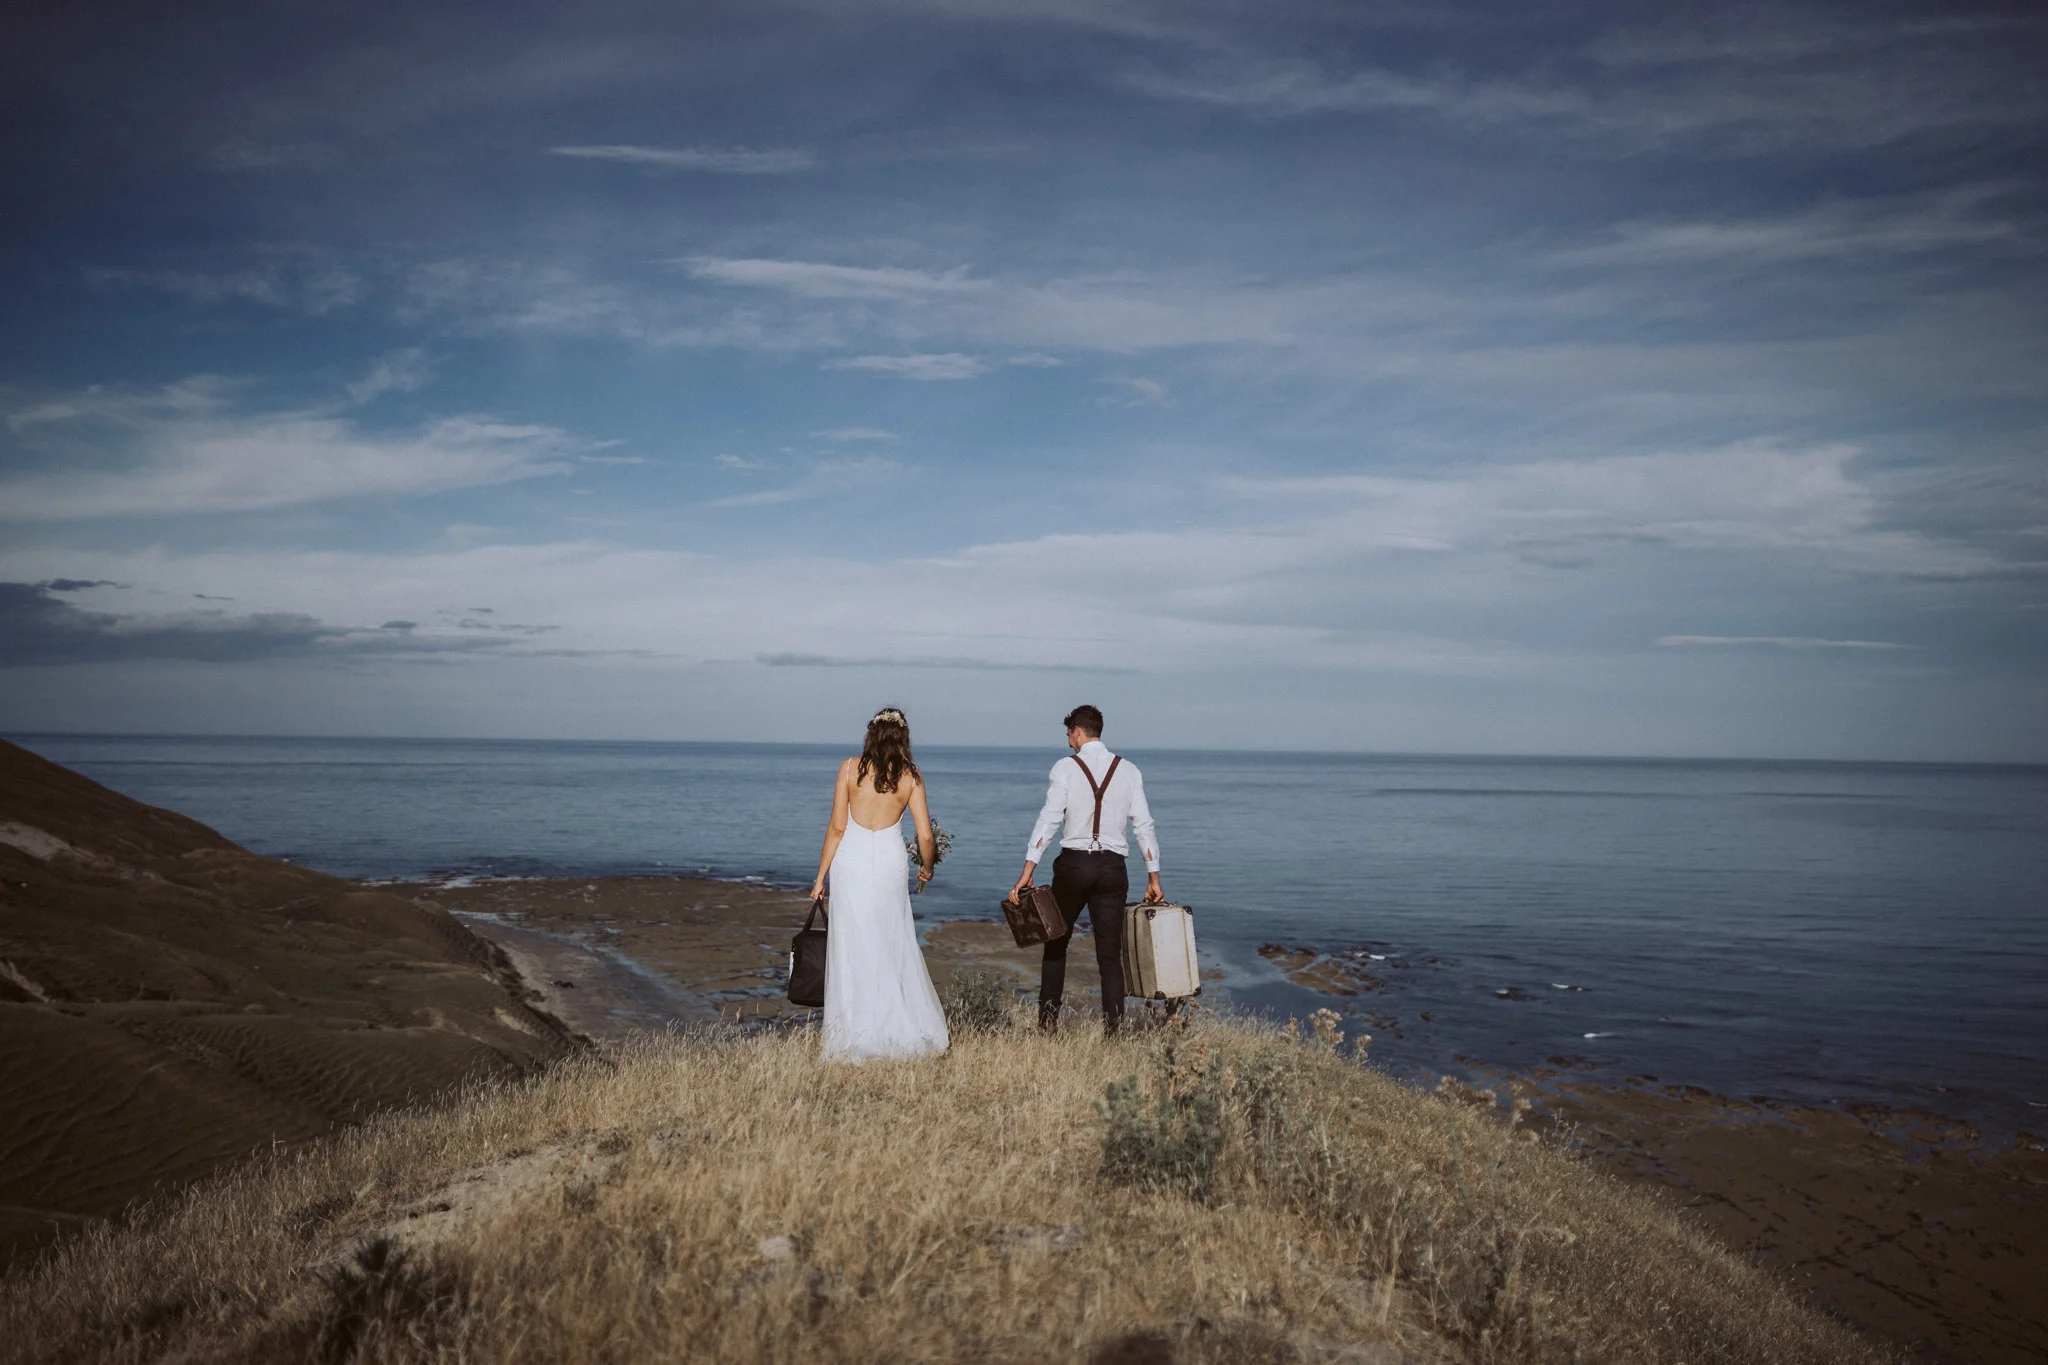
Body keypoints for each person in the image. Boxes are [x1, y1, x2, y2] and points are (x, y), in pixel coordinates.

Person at [807, 707, 950, 1062]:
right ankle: (895, 1026)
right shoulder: (911, 778)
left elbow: (837, 828)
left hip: (850, 862)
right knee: (890, 938)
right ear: (904, 738)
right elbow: (925, 835)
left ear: (871, 734)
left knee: (852, 941)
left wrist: (820, 877)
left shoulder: (849, 768)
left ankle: (852, 1032)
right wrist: (927, 867)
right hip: (888, 862)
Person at [1010, 704, 1163, 1034]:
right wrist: (1153, 876)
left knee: (1055, 942)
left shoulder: (1065, 768)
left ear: (1078, 731)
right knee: (1109, 956)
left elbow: (1049, 819)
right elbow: (1144, 826)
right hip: (1112, 867)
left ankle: (1048, 1024)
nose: (1067, 740)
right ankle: (1113, 1034)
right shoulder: (1129, 770)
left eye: (1068, 734)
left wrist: (1028, 868)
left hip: (1074, 865)